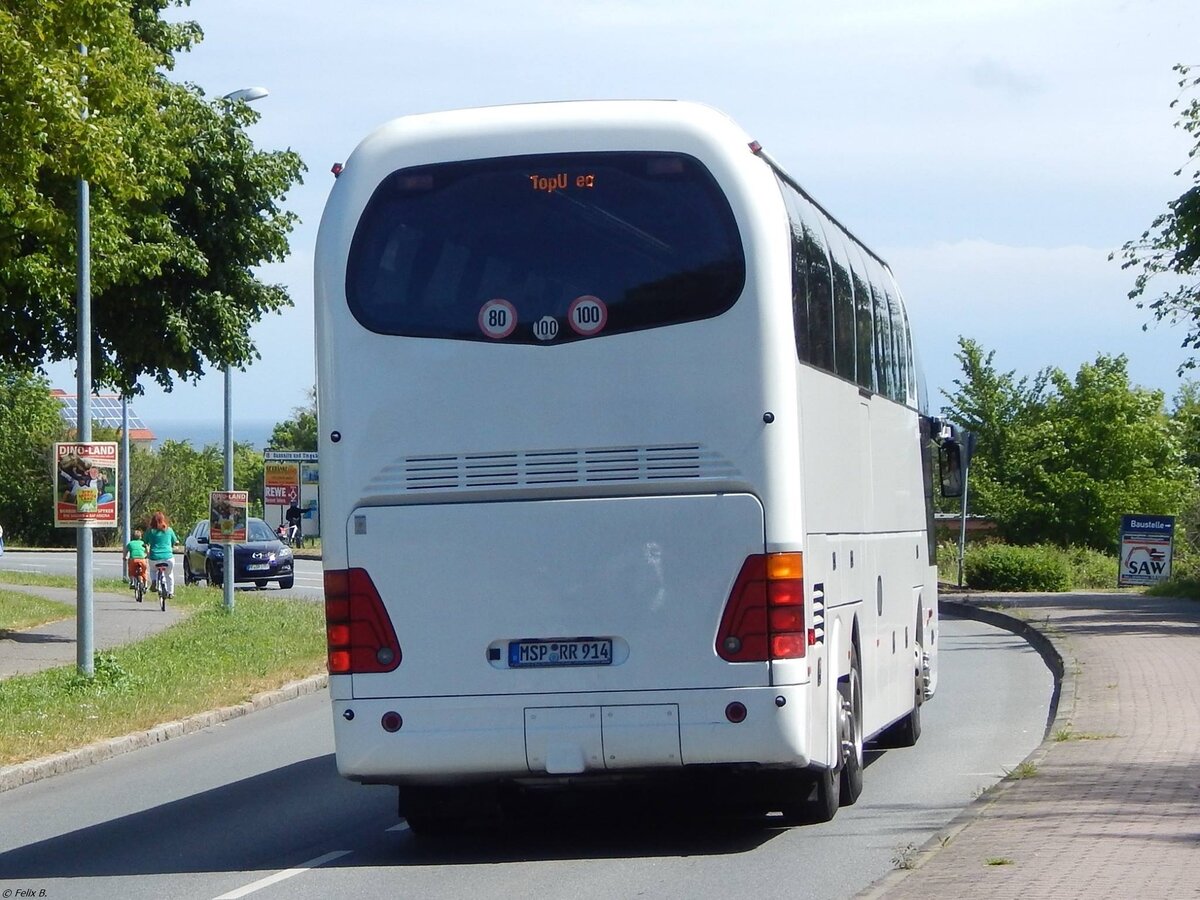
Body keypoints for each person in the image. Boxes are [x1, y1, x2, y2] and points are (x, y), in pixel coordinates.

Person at [144, 511, 180, 598]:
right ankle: (170, 592)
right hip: (168, 558)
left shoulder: (150, 531)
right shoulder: (169, 530)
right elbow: (175, 542)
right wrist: (174, 545)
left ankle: (154, 581)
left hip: (154, 557)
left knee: (153, 570)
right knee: (169, 574)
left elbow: (145, 542)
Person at [124, 528, 149, 593]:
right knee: (144, 572)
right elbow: (147, 550)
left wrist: (125, 557)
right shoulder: (143, 543)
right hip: (142, 559)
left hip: (133, 559)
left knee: (131, 571)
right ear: (140, 537)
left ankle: (132, 581)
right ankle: (146, 585)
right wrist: (146, 556)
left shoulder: (130, 543)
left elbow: (126, 551)